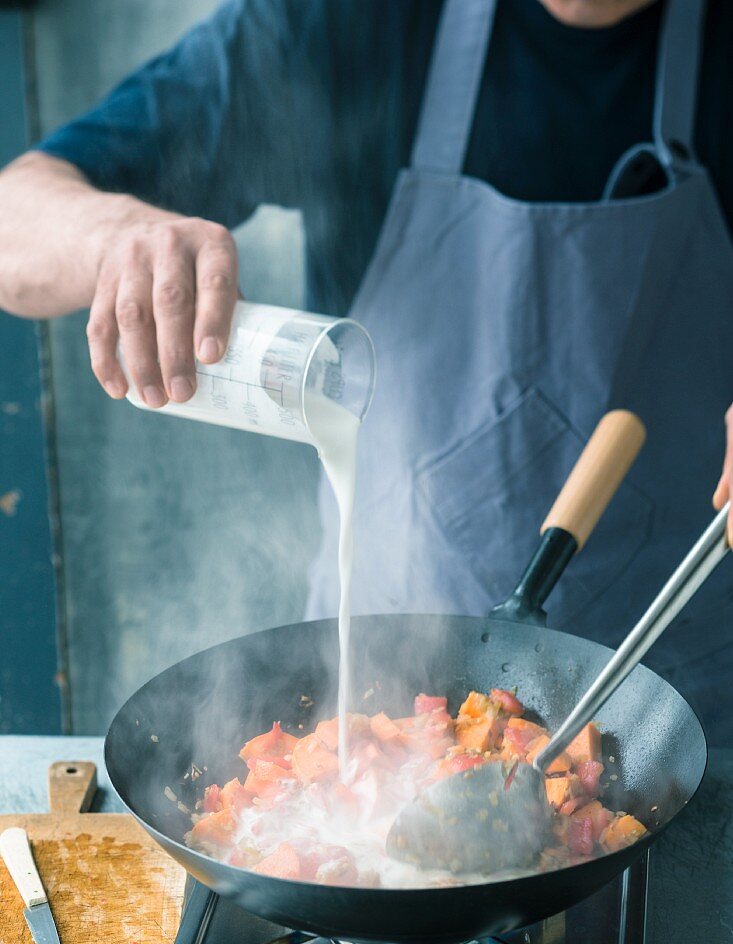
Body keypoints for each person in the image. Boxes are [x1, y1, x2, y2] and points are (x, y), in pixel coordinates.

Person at [0, 0, 732, 741]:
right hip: (370, 721)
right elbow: (13, 217)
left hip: (689, 737)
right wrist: (116, 236)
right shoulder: (342, 22)